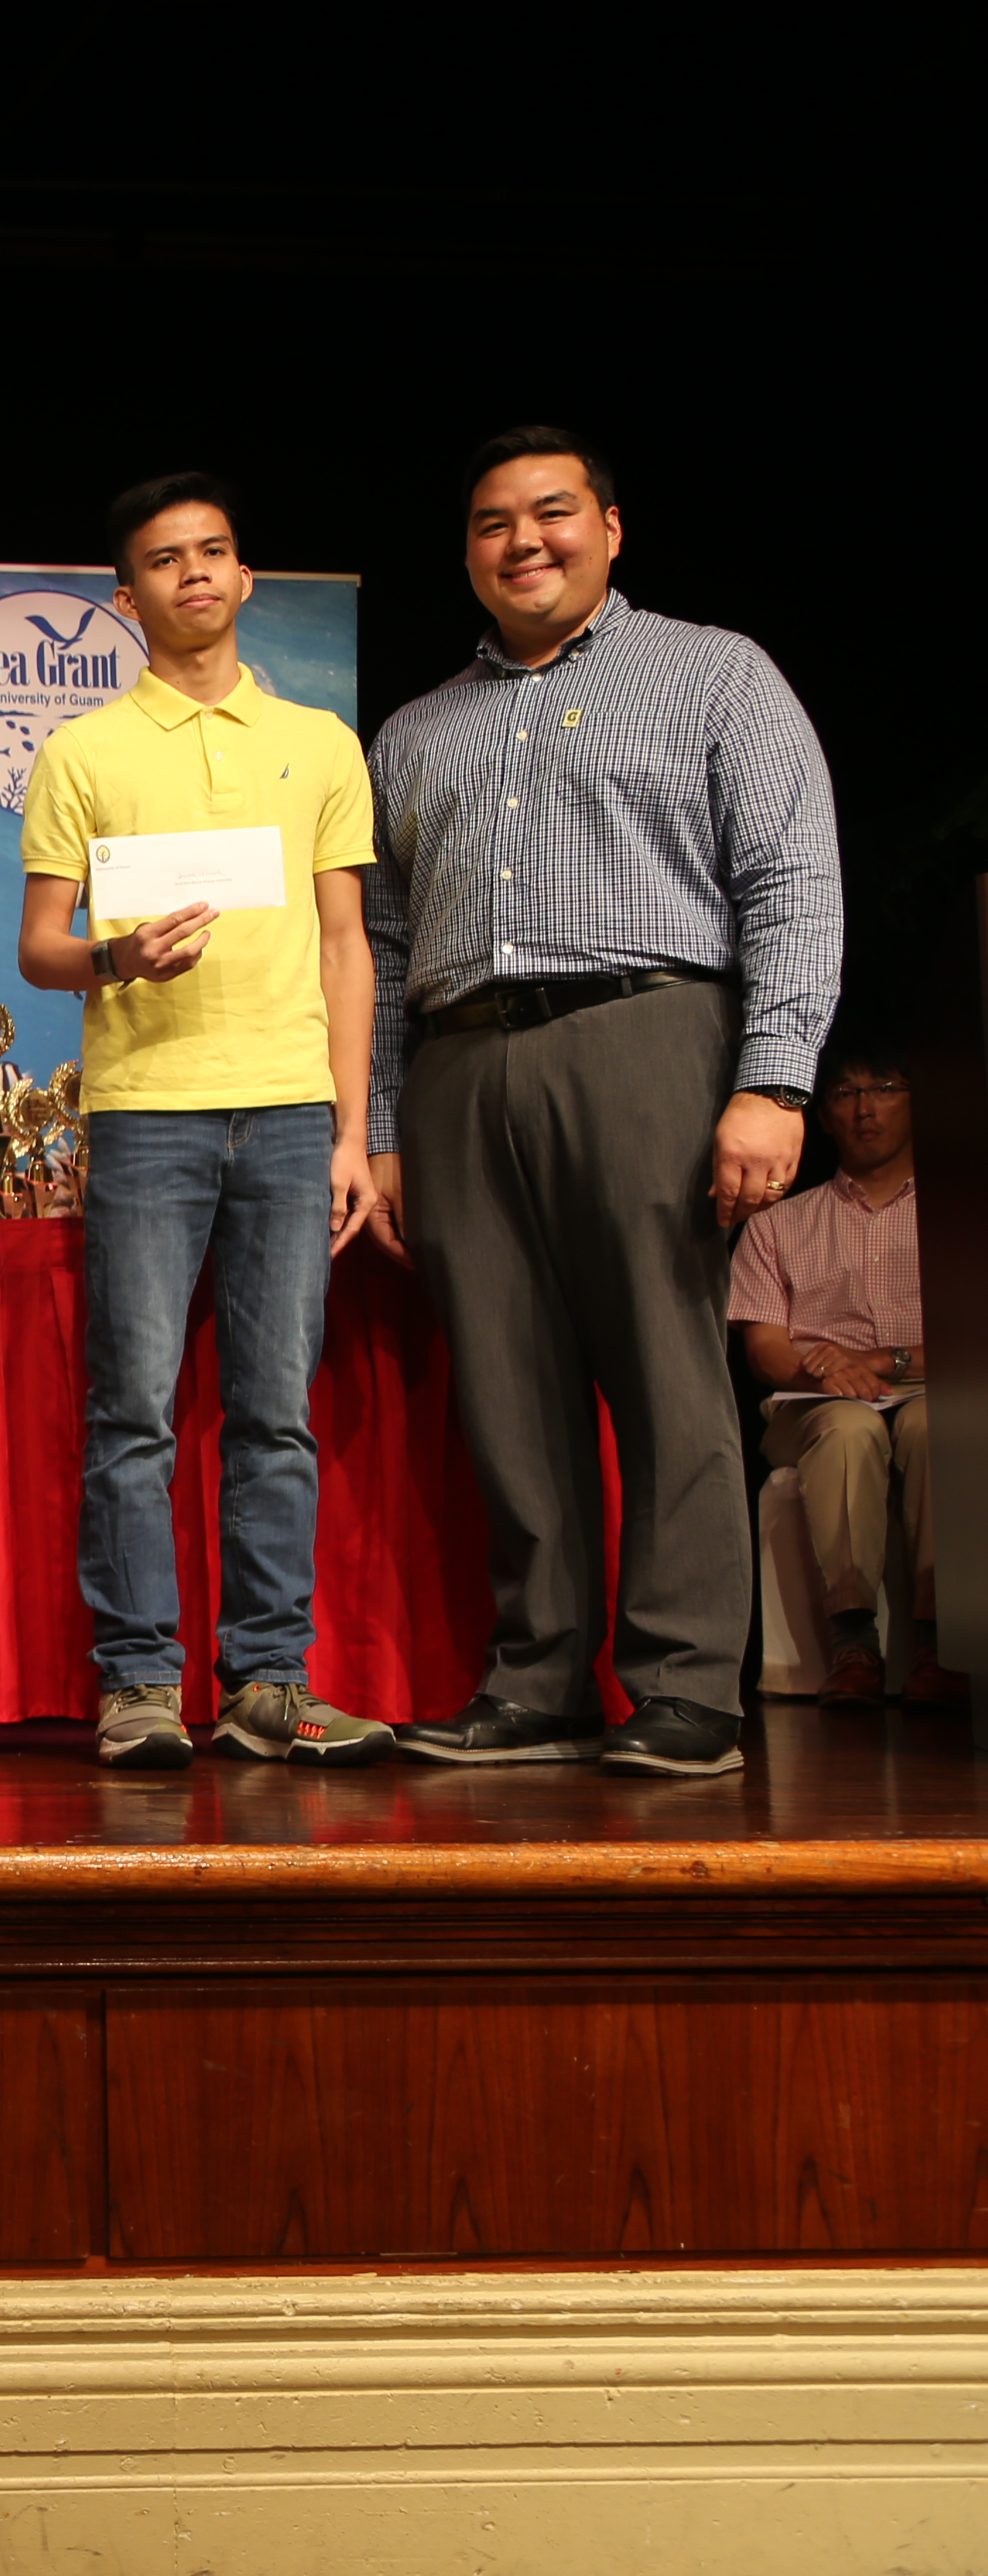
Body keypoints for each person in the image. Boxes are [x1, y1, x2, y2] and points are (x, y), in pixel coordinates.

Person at [365, 427, 845, 1778]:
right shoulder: (414, 730)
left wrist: (771, 1082)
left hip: (651, 1036)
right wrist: (389, 1129)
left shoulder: (713, 672)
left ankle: (688, 1683)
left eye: (551, 514)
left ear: (612, 528)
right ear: (465, 553)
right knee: (507, 1386)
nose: (523, 542)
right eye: (491, 523)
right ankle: (537, 1677)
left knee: (668, 1365)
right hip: (460, 1062)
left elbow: (792, 882)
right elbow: (388, 947)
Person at [14, 474, 392, 1769]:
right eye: (164, 561)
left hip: (290, 1111)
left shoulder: (320, 743)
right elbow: (41, 949)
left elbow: (350, 944)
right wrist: (116, 960)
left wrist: (350, 1128)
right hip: (145, 1114)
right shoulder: (81, 751)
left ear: (242, 577)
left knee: (276, 1407)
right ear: (125, 600)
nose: (192, 575)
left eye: (213, 553)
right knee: (131, 1409)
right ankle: (135, 1681)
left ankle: (268, 1681)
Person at [732, 1034, 956, 1705]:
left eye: (885, 1090)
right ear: (824, 1115)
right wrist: (826, 1371)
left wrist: (883, 1362)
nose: (866, 1109)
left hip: (930, 1389)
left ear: (917, 1103)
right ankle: (854, 1641)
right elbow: (766, 1350)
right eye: (846, 1093)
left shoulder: (958, 1212)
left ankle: (940, 1644)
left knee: (935, 1425)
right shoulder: (780, 1223)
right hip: (812, 1399)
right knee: (850, 1428)